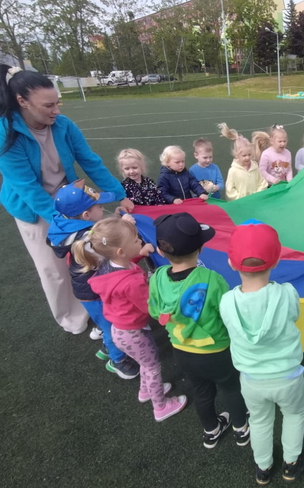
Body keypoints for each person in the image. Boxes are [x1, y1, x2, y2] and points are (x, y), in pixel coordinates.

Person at [0, 64, 131, 335]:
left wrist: (121, 195)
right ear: (22, 102)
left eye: (57, 103)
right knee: (53, 268)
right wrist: (62, 224)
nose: (56, 111)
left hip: (72, 200)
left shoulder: (63, 125)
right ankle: (73, 318)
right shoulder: (1, 132)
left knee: (90, 256)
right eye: (48, 105)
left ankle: (100, 307)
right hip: (34, 208)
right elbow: (26, 187)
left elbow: (90, 161)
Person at [149, 212, 249, 447]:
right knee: (231, 388)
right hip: (217, 351)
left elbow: (154, 311)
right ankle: (241, 429)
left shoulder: (157, 277)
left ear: (160, 251)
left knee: (202, 392)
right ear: (201, 248)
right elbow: (227, 313)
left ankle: (211, 430)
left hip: (182, 351)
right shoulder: (212, 279)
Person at [220, 222, 304, 485]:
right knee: (294, 415)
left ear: (231, 263)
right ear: (277, 260)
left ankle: (263, 467)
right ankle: (291, 464)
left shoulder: (227, 302)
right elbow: (294, 314)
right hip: (288, 377)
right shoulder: (288, 294)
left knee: (259, 422)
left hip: (252, 380)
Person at [75, 216, 188, 421]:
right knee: (152, 366)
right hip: (133, 334)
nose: (140, 241)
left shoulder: (108, 266)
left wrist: (139, 254)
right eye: (136, 240)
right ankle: (160, 406)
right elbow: (150, 307)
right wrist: (169, 313)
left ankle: (145, 391)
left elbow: (126, 265)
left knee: (145, 363)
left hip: (121, 331)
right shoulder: (132, 283)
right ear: (121, 251)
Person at [46, 181, 140, 378]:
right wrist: (125, 226)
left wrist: (115, 219)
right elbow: (109, 248)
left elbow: (100, 232)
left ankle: (106, 347)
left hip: (88, 290)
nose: (103, 209)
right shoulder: (87, 240)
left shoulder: (68, 227)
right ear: (86, 215)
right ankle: (118, 360)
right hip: (94, 293)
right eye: (99, 207)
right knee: (112, 325)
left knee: (105, 322)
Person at [219, 123, 268, 201]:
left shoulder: (255, 167)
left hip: (255, 201)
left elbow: (262, 182)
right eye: (244, 155)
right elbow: (230, 190)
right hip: (241, 203)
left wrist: (257, 194)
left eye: (249, 154)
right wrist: (241, 199)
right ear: (237, 155)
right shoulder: (233, 171)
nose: (247, 158)